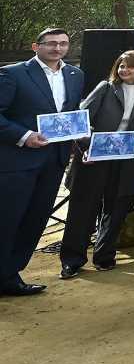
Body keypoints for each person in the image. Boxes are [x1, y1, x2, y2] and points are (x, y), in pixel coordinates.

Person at [59, 50, 134, 278]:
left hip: (127, 160)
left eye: (130, 66)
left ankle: (104, 256)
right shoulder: (105, 87)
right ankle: (72, 260)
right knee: (83, 209)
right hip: (95, 158)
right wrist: (88, 146)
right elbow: (81, 119)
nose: (124, 70)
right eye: (121, 66)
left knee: (116, 210)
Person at [0, 28, 84, 296]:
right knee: (8, 220)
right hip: (17, 161)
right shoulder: (13, 74)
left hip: (54, 161)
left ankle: (10, 276)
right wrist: (24, 136)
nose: (57, 48)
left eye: (63, 44)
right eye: (51, 44)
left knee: (35, 221)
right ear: (36, 46)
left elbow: (69, 116)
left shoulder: (75, 75)